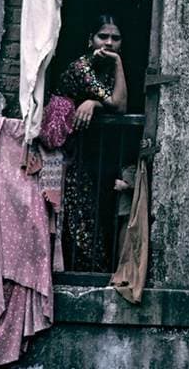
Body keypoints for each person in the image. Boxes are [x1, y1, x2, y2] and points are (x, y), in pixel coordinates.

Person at [55, 14, 128, 271]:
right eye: (102, 36)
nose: (108, 43)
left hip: (92, 156)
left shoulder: (109, 69)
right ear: (90, 40)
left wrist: (94, 103)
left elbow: (119, 104)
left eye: (115, 38)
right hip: (67, 155)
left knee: (97, 217)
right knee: (79, 224)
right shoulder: (82, 68)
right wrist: (100, 102)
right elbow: (118, 104)